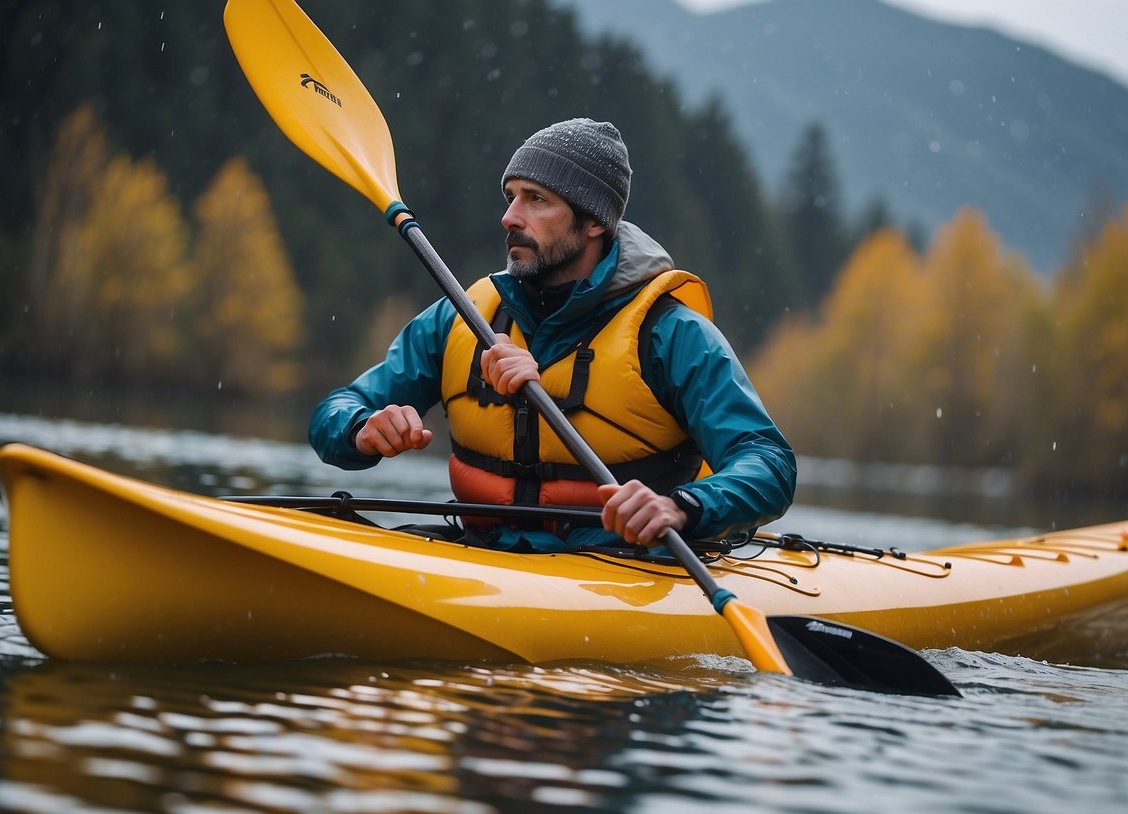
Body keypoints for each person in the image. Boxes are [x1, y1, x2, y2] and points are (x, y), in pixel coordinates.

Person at [309, 117, 796, 553]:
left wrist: (684, 506)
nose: (510, 216)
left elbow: (768, 463)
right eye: (511, 197)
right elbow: (334, 411)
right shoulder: (462, 316)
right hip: (480, 547)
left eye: (536, 199)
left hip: (620, 568)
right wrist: (361, 429)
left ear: (593, 224)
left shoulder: (671, 334)